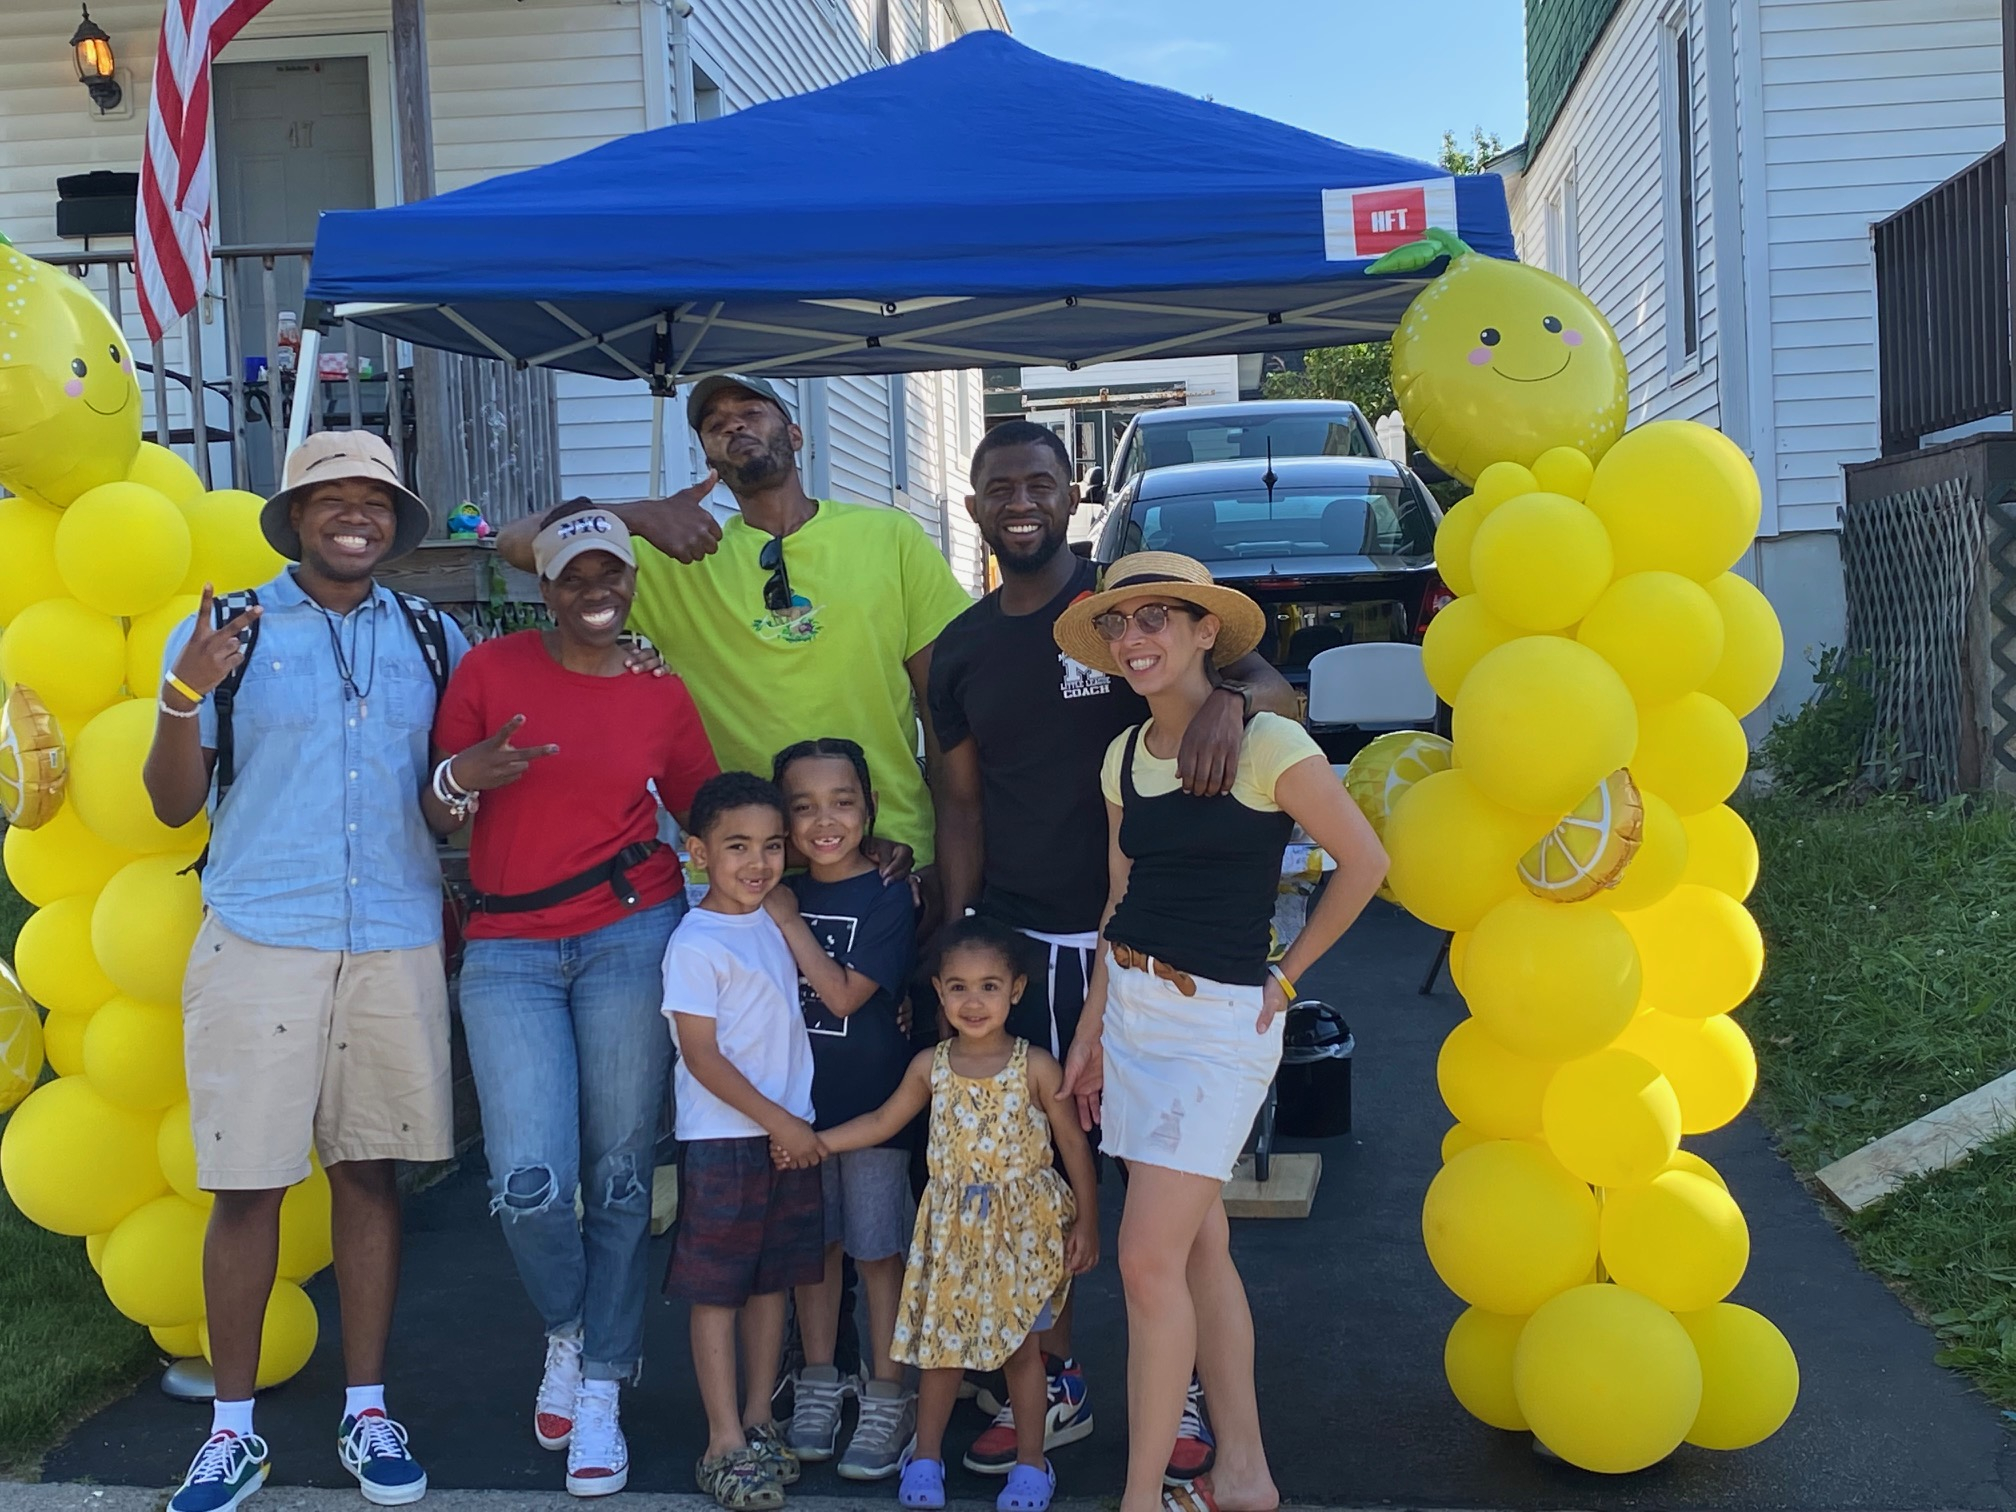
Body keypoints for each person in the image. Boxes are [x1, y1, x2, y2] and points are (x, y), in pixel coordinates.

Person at [928, 422, 1297, 1478]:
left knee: (1160, 1198)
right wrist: (959, 934)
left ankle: (1183, 1399)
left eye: (1041, 482)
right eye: (999, 488)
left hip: (1143, 954)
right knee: (1029, 1174)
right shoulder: (957, 650)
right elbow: (957, 805)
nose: (1021, 502)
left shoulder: (1131, 604)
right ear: (975, 509)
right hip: (1017, 946)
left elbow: (1273, 696)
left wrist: (1228, 701)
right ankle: (1059, 1379)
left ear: (1073, 492)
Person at [143, 431, 470, 1512]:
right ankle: (231, 1434)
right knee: (247, 1187)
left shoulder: (435, 635)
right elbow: (171, 803)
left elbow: (463, 775)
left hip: (390, 932)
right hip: (262, 936)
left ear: (395, 521)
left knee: (371, 1173)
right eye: (330, 498)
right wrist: (184, 697)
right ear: (295, 517)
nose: (354, 516)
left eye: (372, 500)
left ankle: (366, 1410)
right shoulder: (224, 627)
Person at [1051, 552, 1387, 1512]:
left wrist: (1289, 974)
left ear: (1207, 632)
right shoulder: (1121, 757)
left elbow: (1364, 862)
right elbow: (1121, 897)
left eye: (1159, 617)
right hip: (1133, 1012)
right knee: (1199, 1253)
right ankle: (1244, 1476)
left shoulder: (1268, 744)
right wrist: (1090, 1028)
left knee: (1146, 1260)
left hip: (1218, 1028)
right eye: (1120, 624)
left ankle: (1139, 1498)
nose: (1135, 639)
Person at [431, 504, 721, 1497]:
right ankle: (575, 1330)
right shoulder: (490, 672)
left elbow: (706, 808)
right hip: (508, 945)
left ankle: (598, 1384)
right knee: (529, 1183)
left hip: (630, 932)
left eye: (611, 574)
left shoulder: (658, 686)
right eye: (573, 578)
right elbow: (435, 803)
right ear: (543, 589)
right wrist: (466, 775)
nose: (595, 591)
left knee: (621, 1173)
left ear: (631, 580)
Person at [494, 373, 973, 887]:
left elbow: (943, 711)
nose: (734, 425)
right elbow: (518, 543)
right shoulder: (676, 558)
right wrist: (637, 515)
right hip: (744, 872)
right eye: (715, 424)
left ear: (794, 434)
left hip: (887, 855)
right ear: (710, 461)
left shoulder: (889, 538)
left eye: (751, 411)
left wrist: (953, 876)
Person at [780, 916, 1099, 1512]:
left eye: (988, 986)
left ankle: (1032, 1463)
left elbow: (1074, 1146)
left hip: (1020, 1233)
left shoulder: (1037, 1067)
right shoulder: (931, 1065)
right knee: (943, 1350)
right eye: (957, 987)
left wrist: (1087, 1222)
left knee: (1022, 1353)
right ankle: (925, 1456)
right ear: (939, 993)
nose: (972, 1001)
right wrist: (816, 1141)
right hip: (951, 1233)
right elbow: (881, 1123)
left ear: (1016, 990)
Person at [661, 772, 827, 1512]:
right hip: (727, 1139)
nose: (757, 863)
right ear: (697, 852)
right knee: (718, 1291)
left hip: (784, 1136)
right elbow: (702, 1056)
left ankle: (760, 1418)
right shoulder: (696, 942)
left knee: (773, 1282)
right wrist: (781, 1121)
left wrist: (790, 1124)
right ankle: (722, 1439)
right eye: (736, 847)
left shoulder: (769, 918)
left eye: (770, 846)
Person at [765, 740, 919, 1480]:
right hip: (795, 1112)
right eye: (805, 807)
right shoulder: (769, 888)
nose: (826, 820)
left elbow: (848, 996)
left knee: (877, 1248)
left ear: (870, 809)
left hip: (873, 1113)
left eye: (844, 802)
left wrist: (790, 922)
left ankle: (888, 1392)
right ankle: (821, 1381)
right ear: (783, 822)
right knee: (816, 1249)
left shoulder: (889, 892)